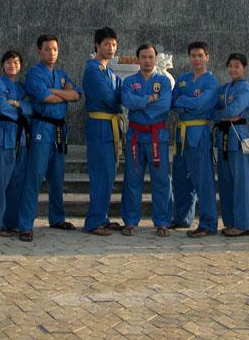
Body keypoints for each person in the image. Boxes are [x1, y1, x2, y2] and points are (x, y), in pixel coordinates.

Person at [18, 35, 81, 241]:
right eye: (47, 49)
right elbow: (45, 97)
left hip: (59, 130)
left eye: (55, 49)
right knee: (35, 175)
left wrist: (57, 91)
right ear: (39, 50)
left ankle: (57, 217)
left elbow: (77, 95)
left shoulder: (62, 74)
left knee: (57, 176)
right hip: (42, 127)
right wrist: (62, 93)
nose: (52, 53)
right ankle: (26, 223)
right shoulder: (34, 73)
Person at [120, 43, 173, 237]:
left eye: (151, 57)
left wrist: (140, 103)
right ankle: (130, 221)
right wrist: (149, 98)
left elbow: (165, 105)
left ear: (156, 59)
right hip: (135, 135)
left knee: (161, 180)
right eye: (143, 57)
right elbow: (127, 101)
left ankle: (162, 221)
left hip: (157, 136)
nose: (147, 61)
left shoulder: (164, 81)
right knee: (132, 180)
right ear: (137, 59)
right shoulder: (129, 81)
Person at [171, 40, 219, 237]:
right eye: (193, 56)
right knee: (181, 178)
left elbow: (202, 104)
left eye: (200, 55)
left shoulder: (211, 81)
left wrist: (185, 102)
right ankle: (182, 218)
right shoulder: (182, 79)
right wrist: (188, 103)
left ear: (207, 57)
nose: (197, 59)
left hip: (199, 133)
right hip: (181, 133)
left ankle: (208, 223)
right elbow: (173, 102)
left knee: (202, 179)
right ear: (189, 57)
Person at [82, 27, 123, 235]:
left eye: (114, 44)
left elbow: (119, 94)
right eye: (107, 43)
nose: (111, 48)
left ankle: (102, 216)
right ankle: (93, 221)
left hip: (110, 126)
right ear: (97, 45)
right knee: (100, 173)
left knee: (108, 173)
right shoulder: (93, 70)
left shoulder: (110, 71)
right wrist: (121, 99)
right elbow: (109, 98)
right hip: (99, 126)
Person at [0, 50, 32, 236]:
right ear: (2, 65)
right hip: (4, 134)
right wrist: (18, 108)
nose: (12, 65)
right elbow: (1, 107)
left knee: (17, 183)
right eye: (8, 62)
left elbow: (31, 107)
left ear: (20, 65)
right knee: (1, 182)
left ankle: (11, 222)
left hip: (20, 137)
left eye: (15, 62)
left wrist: (20, 105)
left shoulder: (22, 87)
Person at [212, 53, 249, 237]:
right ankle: (230, 222)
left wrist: (222, 113)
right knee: (226, 182)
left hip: (238, 137)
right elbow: (212, 109)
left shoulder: (246, 88)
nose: (233, 69)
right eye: (230, 66)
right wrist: (222, 114)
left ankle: (243, 224)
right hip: (223, 138)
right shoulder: (223, 89)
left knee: (241, 183)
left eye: (237, 66)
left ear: (244, 68)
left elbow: (236, 109)